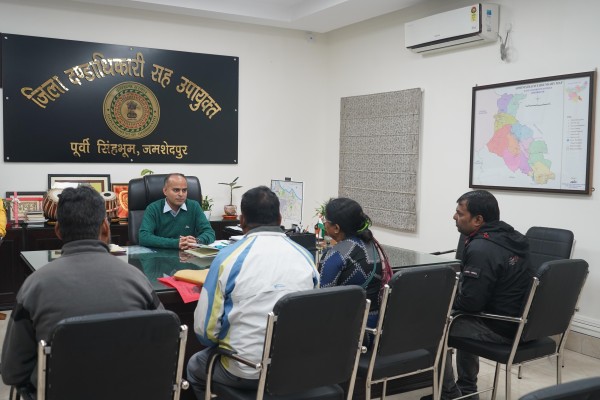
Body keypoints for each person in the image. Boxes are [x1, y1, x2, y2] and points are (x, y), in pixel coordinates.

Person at [1, 185, 163, 389]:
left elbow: (12, 372)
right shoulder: (137, 279)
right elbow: (164, 341)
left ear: (58, 231)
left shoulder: (34, 285)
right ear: (105, 227)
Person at [186, 186, 319, 399]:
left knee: (195, 366)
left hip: (244, 370)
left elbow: (205, 333)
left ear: (242, 220)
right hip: (293, 367)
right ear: (279, 218)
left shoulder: (228, 259)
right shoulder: (306, 257)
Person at [438, 189, 533, 400]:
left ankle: (449, 394)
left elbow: (470, 304)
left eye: (460, 213)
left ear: (478, 220)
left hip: (499, 327)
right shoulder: (512, 238)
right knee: (460, 317)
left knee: (433, 327)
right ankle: (468, 391)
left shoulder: (481, 248)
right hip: (520, 324)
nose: (454, 217)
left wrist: (443, 301)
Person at [318, 197, 393, 344]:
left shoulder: (335, 254)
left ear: (336, 228)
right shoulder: (373, 245)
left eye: (326, 220)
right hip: (377, 330)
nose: (324, 223)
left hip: (350, 335)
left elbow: (323, 301)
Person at [139, 173, 215, 250]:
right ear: (165, 191)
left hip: (188, 255)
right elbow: (143, 237)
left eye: (184, 190)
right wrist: (176, 243)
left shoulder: (194, 206)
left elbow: (209, 232)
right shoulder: (153, 208)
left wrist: (196, 241)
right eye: (176, 190)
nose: (181, 194)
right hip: (161, 255)